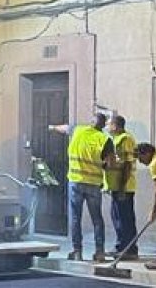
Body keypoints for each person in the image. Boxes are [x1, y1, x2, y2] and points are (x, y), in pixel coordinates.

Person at [52, 112, 115, 262]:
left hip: (76, 182)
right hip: (94, 184)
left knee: (75, 218)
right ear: (103, 125)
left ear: (91, 122)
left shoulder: (78, 130)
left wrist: (52, 127)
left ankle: (77, 251)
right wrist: (104, 166)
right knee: (97, 219)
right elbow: (111, 164)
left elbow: (65, 128)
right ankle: (99, 252)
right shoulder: (105, 139)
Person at [104, 115, 138, 259]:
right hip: (116, 187)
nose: (107, 126)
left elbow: (127, 164)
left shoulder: (126, 139)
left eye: (109, 124)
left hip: (124, 187)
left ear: (116, 125)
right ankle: (121, 246)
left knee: (124, 219)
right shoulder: (116, 139)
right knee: (117, 217)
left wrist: (123, 187)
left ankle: (128, 249)